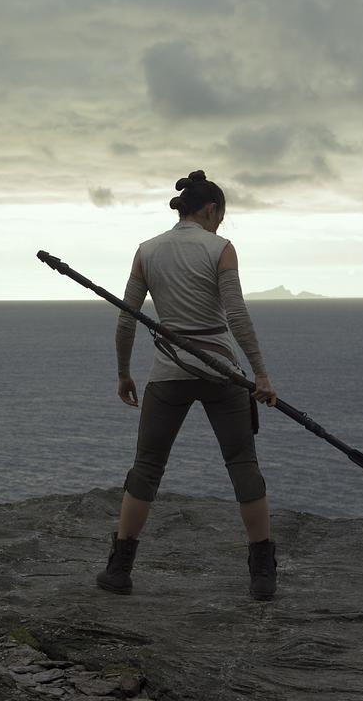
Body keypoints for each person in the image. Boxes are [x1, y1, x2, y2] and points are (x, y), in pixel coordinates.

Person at [95, 169, 280, 601]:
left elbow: (127, 319)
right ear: (211, 209)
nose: (220, 225)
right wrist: (261, 374)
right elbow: (236, 315)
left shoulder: (147, 251)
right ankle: (262, 575)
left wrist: (124, 373)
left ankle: (119, 570)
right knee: (242, 464)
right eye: (221, 216)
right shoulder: (221, 249)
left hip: (169, 371)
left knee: (147, 467)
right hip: (222, 372)